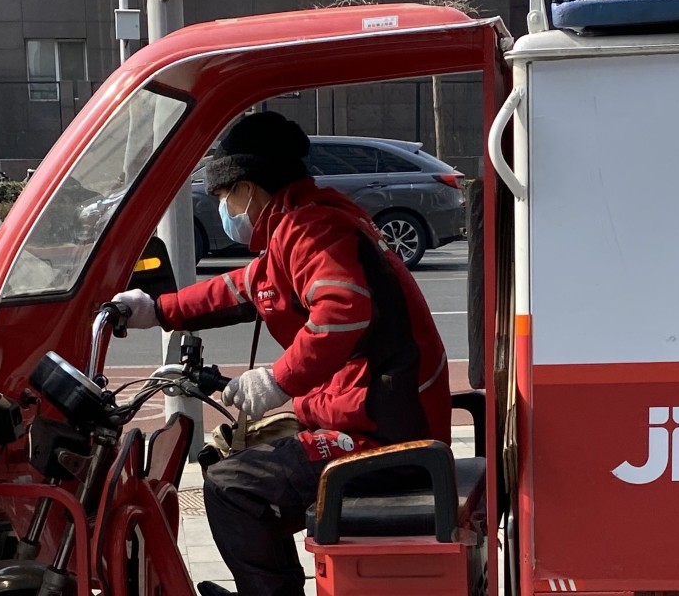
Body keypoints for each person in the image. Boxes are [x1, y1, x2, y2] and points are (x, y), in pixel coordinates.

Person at [113, 112, 450, 596]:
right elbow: (241, 289)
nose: (226, 208)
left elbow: (342, 310)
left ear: (248, 188)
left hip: (387, 437)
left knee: (234, 487)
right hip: (375, 417)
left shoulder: (313, 229)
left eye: (226, 196)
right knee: (234, 462)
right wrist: (156, 310)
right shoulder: (301, 225)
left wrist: (278, 380)